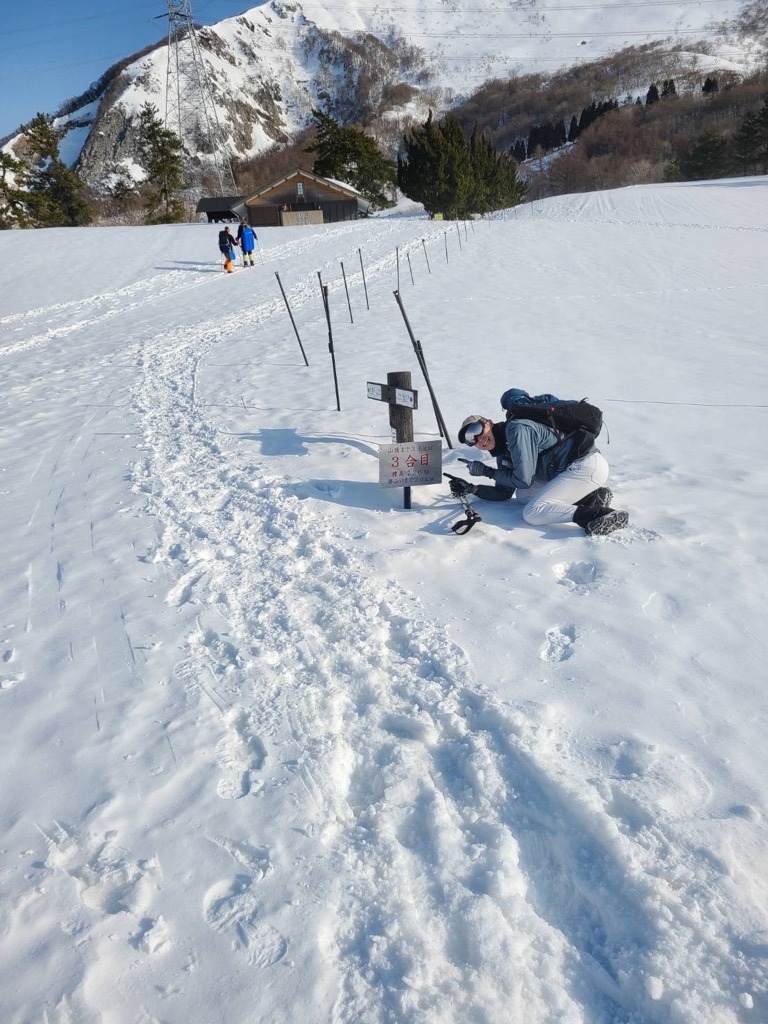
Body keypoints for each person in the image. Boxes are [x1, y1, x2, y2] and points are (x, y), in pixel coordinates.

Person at [452, 413, 629, 536]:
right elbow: (504, 493)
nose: (478, 439)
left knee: (532, 513)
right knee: (524, 496)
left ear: (488, 423)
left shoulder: (516, 430)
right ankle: (590, 498)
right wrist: (472, 488)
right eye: (470, 439)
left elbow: (523, 479)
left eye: (476, 430)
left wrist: (486, 471)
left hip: (586, 465)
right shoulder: (504, 452)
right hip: (572, 472)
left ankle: (599, 514)